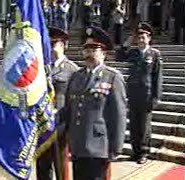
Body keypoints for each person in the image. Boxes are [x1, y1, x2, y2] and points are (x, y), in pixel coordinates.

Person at [66, 26, 127, 180]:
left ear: (104, 53)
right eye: (86, 50)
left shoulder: (112, 77)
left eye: (94, 49)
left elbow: (118, 115)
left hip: (99, 146)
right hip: (78, 144)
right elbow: (69, 109)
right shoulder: (76, 76)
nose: (89, 54)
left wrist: (116, 147)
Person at [36, 27, 79, 180]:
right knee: (42, 167)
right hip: (42, 127)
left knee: (61, 168)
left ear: (63, 45)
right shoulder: (41, 69)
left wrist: (69, 128)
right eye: (49, 43)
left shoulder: (73, 70)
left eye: (54, 44)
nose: (51, 47)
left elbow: (74, 103)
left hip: (60, 127)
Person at [126, 22, 163, 164]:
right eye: (139, 37)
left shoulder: (154, 54)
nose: (141, 40)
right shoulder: (133, 53)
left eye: (144, 37)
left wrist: (156, 97)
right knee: (134, 125)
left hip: (147, 95)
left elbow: (158, 77)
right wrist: (128, 41)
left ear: (149, 39)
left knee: (144, 126)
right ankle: (135, 152)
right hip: (133, 94)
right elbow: (119, 56)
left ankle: (143, 152)